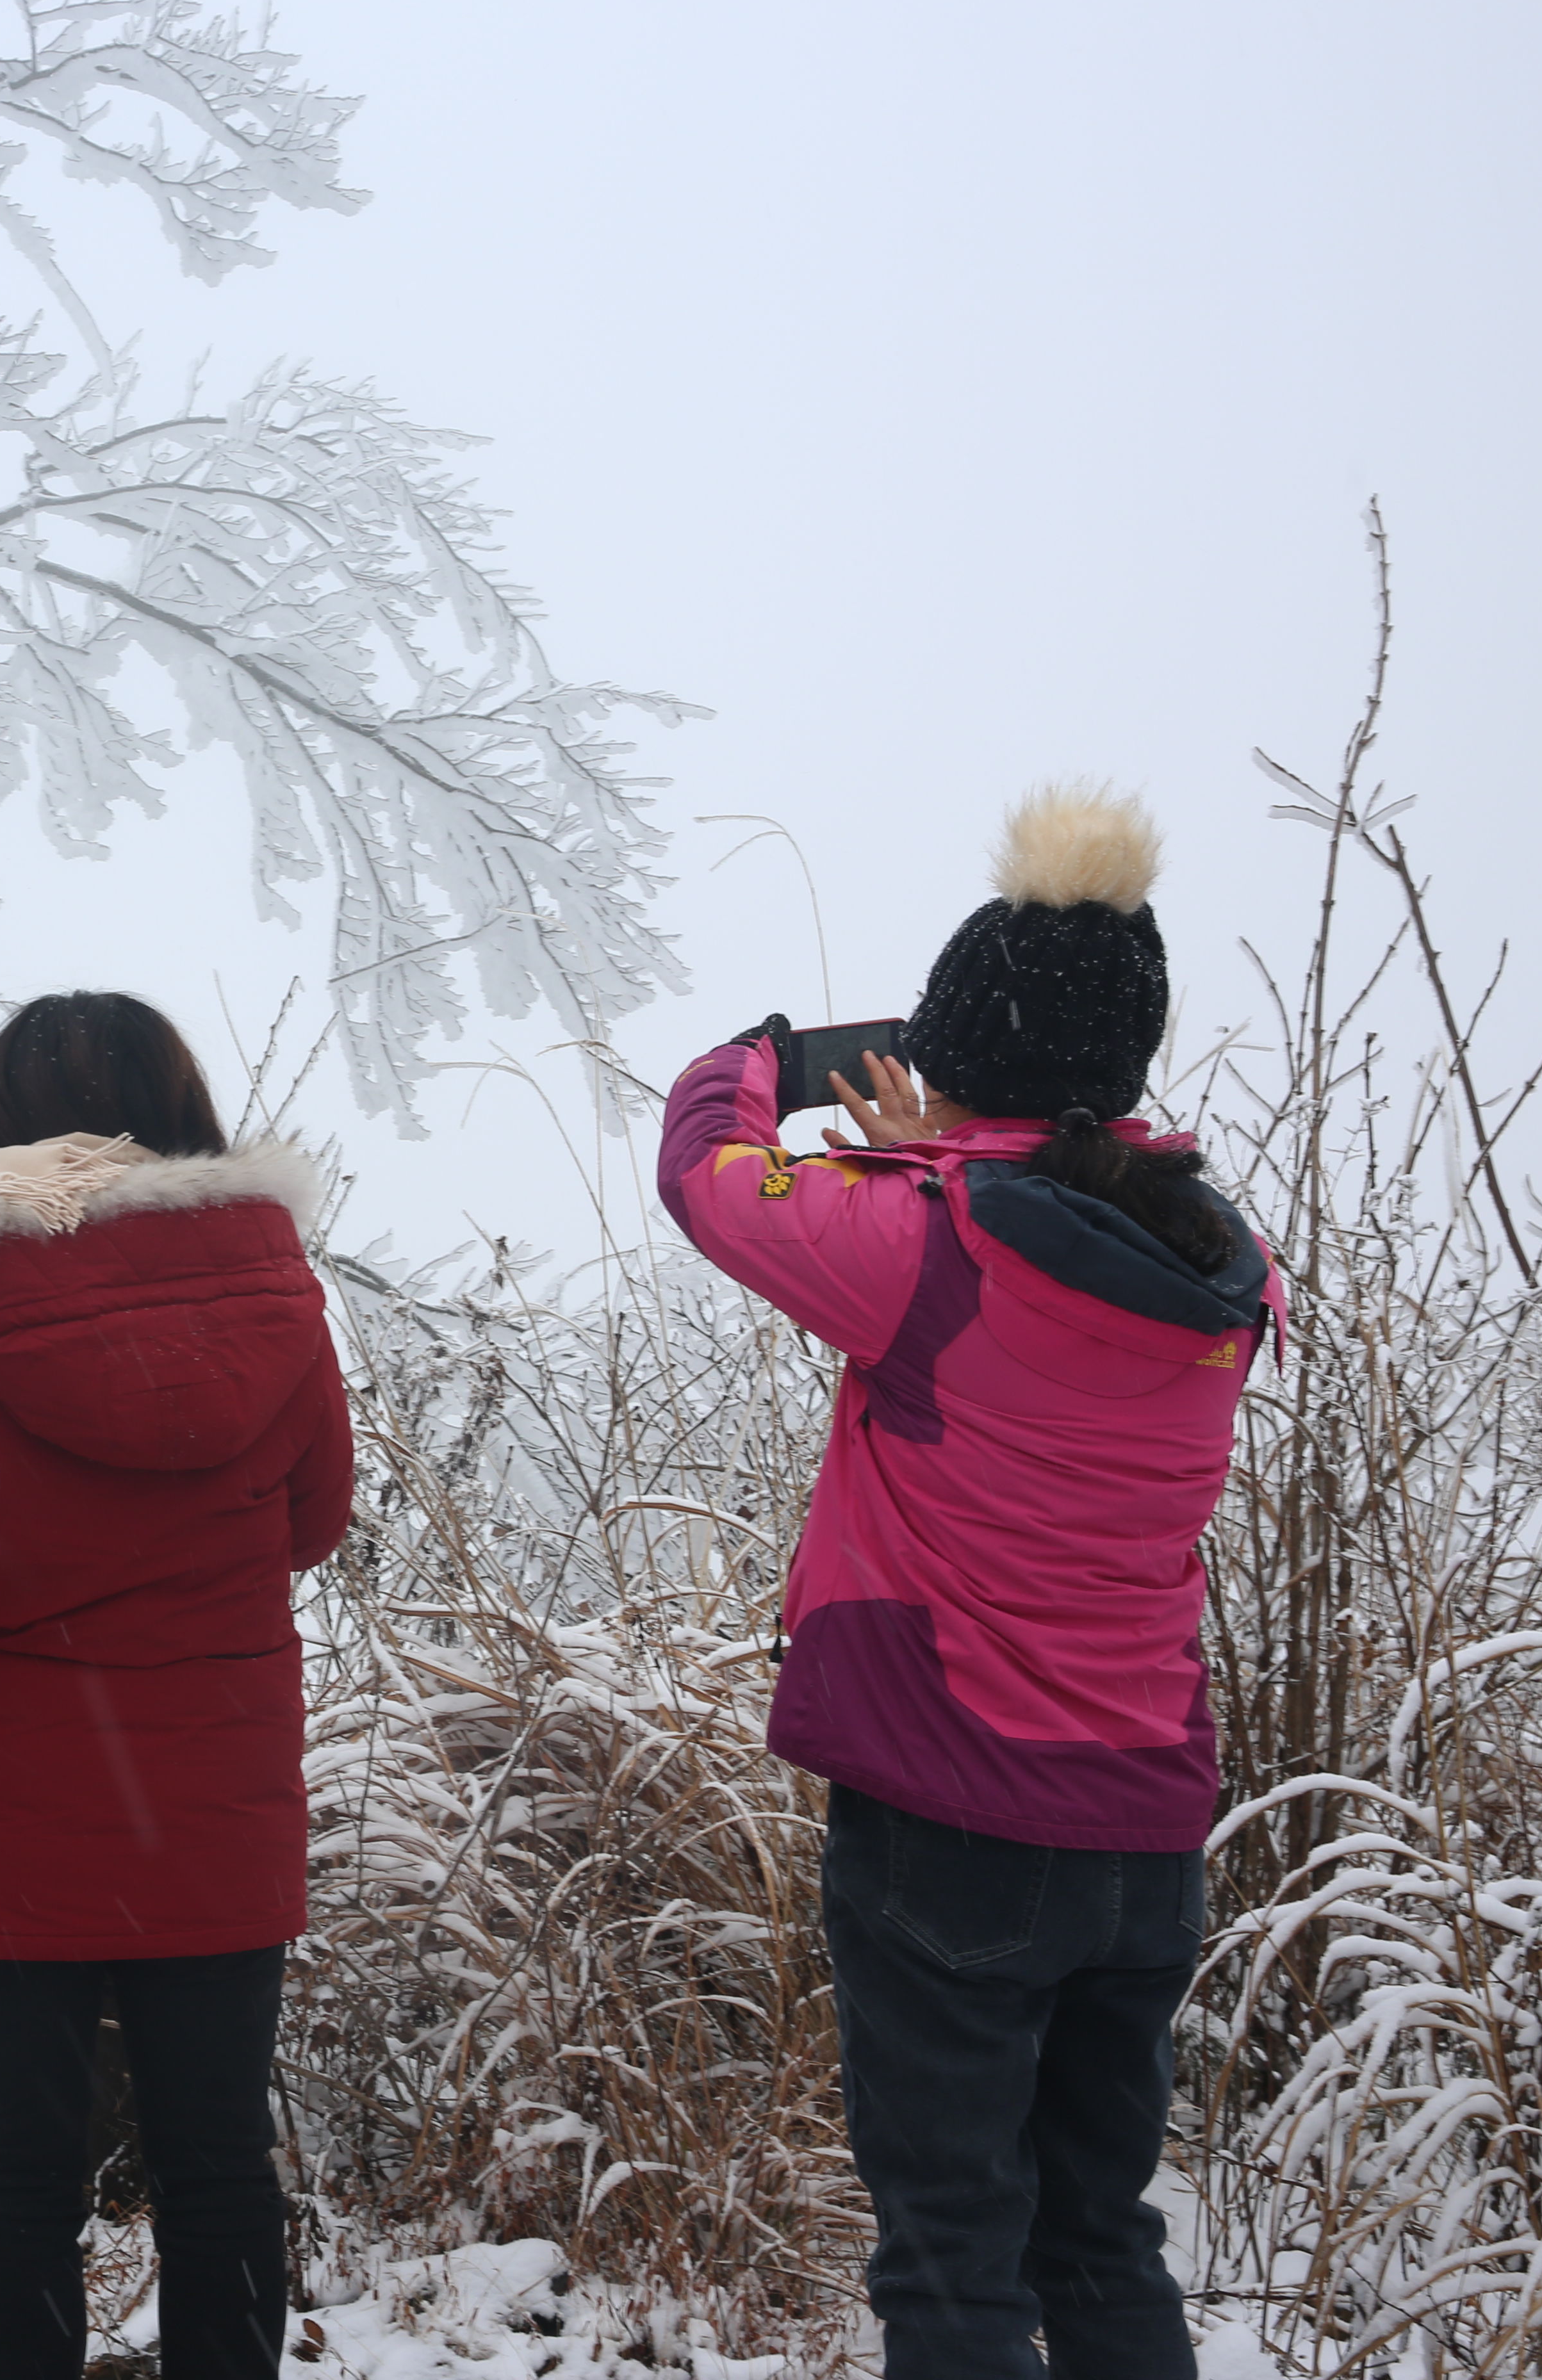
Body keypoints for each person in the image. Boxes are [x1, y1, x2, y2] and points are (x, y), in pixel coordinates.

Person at [656, 785, 1281, 2380]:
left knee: (953, 2260)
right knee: (1098, 2235)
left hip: (960, 1831)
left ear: (961, 1054)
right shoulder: (1218, 1268)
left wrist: (765, 1062)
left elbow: (703, 1167)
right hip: (1146, 1834)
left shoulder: (916, 1245)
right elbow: (1049, 1216)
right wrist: (949, 1140)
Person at [0, 993, 353, 2380]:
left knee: (23, 2179)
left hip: (15, 1823)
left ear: (1, 1127)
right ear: (177, 1117)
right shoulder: (274, 1304)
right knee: (219, 2165)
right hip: (214, 1810)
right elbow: (312, 1520)